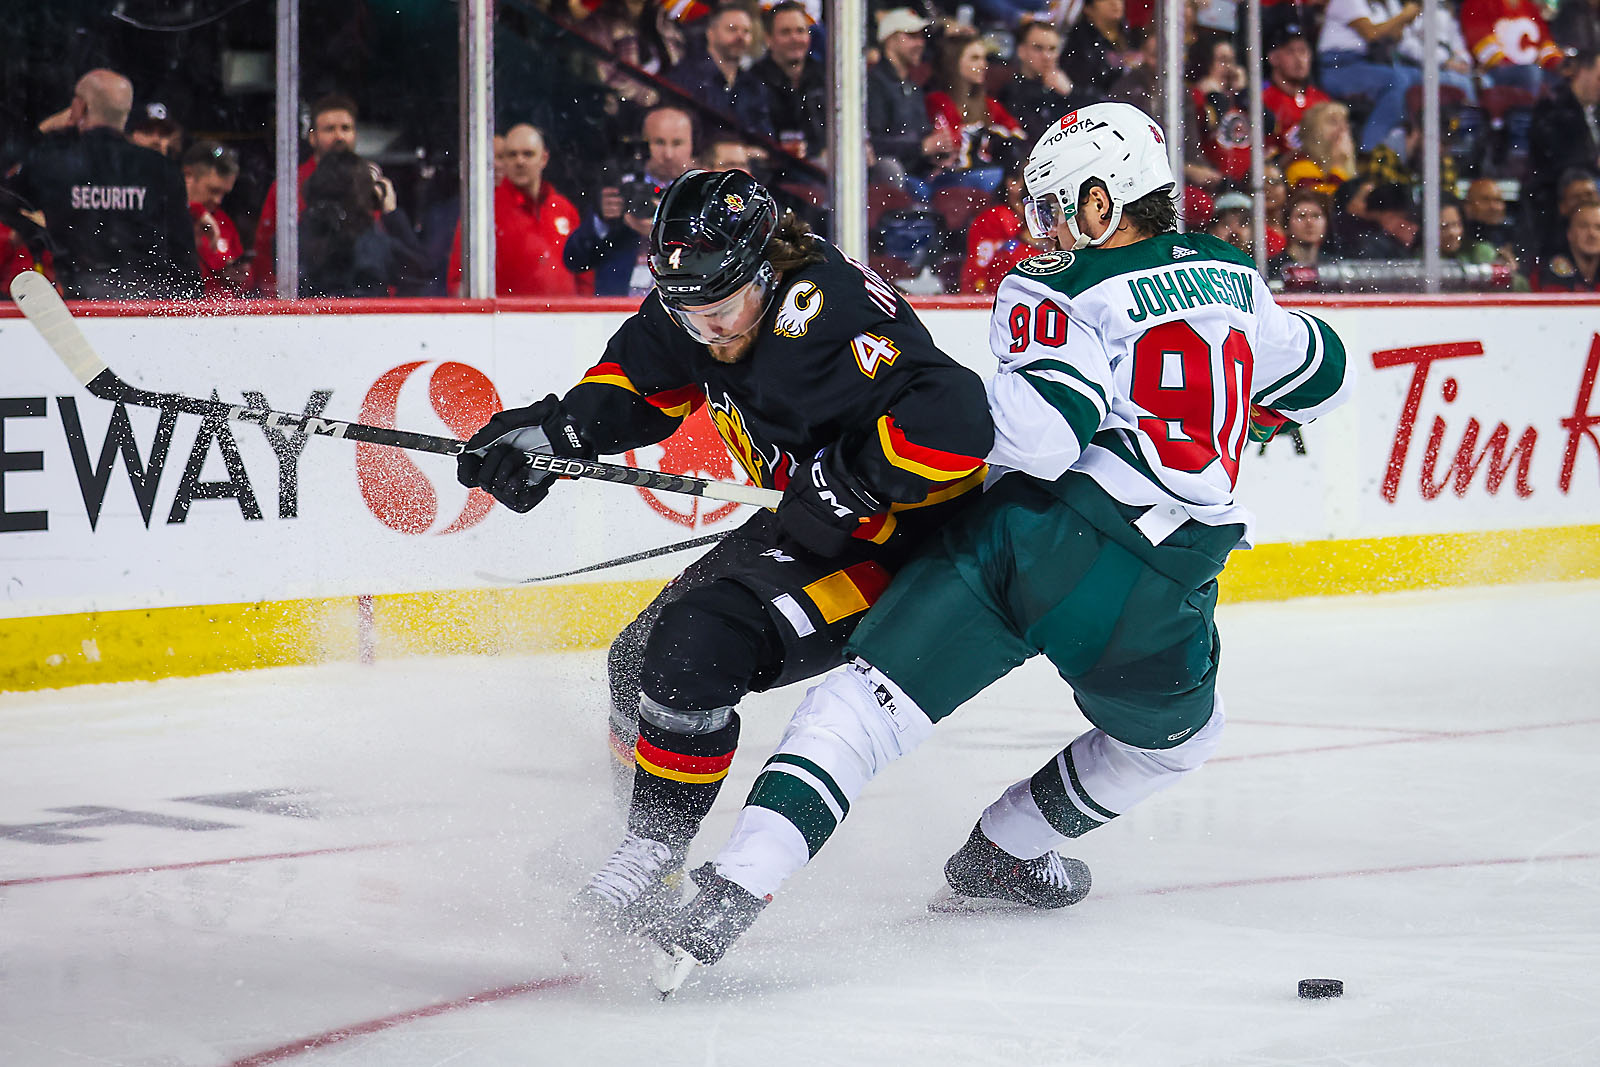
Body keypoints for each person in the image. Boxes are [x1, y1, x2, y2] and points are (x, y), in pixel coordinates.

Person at [650, 103, 1353, 980]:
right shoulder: (1237, 278)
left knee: (859, 708)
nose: (1044, 227)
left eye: (1055, 206)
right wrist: (1246, 398)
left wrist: (895, 456)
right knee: (1177, 740)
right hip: (1160, 583)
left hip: (1026, 539)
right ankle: (1006, 850)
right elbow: (1326, 372)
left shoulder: (1055, 282)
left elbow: (1046, 437)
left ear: (1101, 201)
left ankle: (728, 892)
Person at [454, 168, 993, 938]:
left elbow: (959, 418)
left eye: (723, 313)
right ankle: (644, 840)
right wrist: (556, 433)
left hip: (895, 547)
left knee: (692, 649)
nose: (710, 332)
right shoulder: (703, 291)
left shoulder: (825, 312)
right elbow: (640, 381)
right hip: (809, 528)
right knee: (637, 660)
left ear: (767, 271)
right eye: (690, 315)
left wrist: (854, 480)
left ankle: (654, 852)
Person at [2, 68, 200, 300]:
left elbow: (5, 196)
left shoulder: (53, 163)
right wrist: (190, 309)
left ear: (79, 107)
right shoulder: (161, 169)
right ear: (125, 113)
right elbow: (183, 254)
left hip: (79, 305)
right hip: (145, 305)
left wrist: (37, 234)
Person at [563, 105, 699, 296]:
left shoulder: (704, 194)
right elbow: (574, 260)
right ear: (643, 145)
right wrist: (603, 222)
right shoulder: (622, 189)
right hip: (619, 305)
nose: (668, 154)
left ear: (691, 145)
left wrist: (668, 232)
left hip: (683, 304)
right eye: (659, 143)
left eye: (677, 143)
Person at [447, 123, 582, 296]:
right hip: (505, 313)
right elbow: (459, 282)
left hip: (567, 312)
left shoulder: (564, 210)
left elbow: (584, 276)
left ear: (544, 158)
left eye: (528, 154)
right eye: (512, 155)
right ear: (503, 160)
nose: (520, 161)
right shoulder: (483, 212)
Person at [248, 93, 359, 296]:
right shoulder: (289, 185)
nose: (339, 136)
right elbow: (265, 249)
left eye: (346, 128)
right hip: (304, 298)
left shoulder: (367, 182)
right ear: (312, 137)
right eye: (329, 129)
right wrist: (278, 301)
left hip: (362, 299)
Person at [297, 149, 428, 298]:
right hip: (369, 311)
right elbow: (420, 272)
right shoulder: (373, 244)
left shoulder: (297, 241)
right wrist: (391, 212)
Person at [1316, 0, 1427, 153]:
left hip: (1365, 64)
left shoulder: (1376, 6)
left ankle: (1404, 145)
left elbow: (1395, 34)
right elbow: (1372, 34)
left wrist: (1403, 20)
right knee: (1396, 80)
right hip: (1338, 66)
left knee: (1419, 78)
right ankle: (1370, 151)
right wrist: (1404, 15)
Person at [924, 36, 1027, 192]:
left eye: (984, 59)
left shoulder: (988, 104)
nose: (983, 65)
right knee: (999, 178)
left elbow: (1017, 134)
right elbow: (952, 147)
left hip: (984, 173)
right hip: (950, 177)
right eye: (975, 58)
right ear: (953, 63)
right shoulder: (937, 101)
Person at [867, 9, 955, 188]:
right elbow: (873, 144)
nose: (920, 43)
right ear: (890, 40)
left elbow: (920, 136)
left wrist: (937, 154)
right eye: (912, 36)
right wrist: (922, 147)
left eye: (921, 37)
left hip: (921, 174)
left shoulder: (913, 87)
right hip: (895, 178)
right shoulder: (873, 84)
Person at [663, 2, 771, 136]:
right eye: (732, 29)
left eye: (746, 31)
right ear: (710, 33)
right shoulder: (684, 78)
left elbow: (765, 135)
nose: (740, 37)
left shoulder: (754, 86)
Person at [1528, 51, 1600, 244]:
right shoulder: (1552, 106)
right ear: (1581, 72)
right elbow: (1558, 159)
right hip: (1554, 197)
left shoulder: (1595, 111)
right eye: (1599, 78)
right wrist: (1594, 163)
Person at [998, 19, 1102, 144]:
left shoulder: (1070, 86)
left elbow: (1099, 113)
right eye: (1038, 48)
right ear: (1021, 51)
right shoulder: (1010, 92)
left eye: (1052, 49)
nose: (1047, 56)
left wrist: (1071, 93)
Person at [747, 2, 826, 160]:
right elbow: (758, 140)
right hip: (777, 167)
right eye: (786, 32)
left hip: (823, 165)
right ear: (768, 38)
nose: (794, 38)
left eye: (800, 31)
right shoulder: (752, 81)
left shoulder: (826, 76)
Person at [959, 160, 1040, 293]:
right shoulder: (994, 219)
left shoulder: (1047, 216)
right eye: (1031, 180)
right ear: (1012, 183)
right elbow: (980, 274)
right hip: (988, 299)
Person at [182, 141, 246, 297]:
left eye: (223, 193)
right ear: (188, 176)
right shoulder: (164, 216)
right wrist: (194, 211)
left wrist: (240, 276)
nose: (218, 200)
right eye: (213, 190)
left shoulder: (223, 221)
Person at [1461, 0, 1564, 93]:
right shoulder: (1478, 2)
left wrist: (1558, 64)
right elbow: (1480, 42)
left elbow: (1544, 41)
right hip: (1494, 71)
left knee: (1560, 79)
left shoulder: (1529, 6)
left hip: (1530, 69)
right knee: (1531, 73)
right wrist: (1513, 64)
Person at [1262, 21, 1331, 152]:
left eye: (1303, 51)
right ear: (1273, 58)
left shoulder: (1321, 99)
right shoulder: (1263, 99)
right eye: (1290, 52)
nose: (1299, 59)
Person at [1285, 100, 1358, 195]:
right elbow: (1322, 200)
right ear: (1313, 130)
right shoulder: (1299, 161)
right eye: (1333, 122)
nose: (1342, 129)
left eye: (1345, 123)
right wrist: (1338, 165)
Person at [1268, 188, 1333, 287]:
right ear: (1286, 225)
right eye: (1301, 216)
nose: (1309, 223)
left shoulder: (1332, 266)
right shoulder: (1273, 268)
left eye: (1316, 216)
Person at [1063, 0, 1131, 95]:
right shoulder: (1079, 42)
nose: (1115, 3)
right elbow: (1082, 89)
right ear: (1088, 8)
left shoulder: (1132, 35)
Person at [1533, 200, 1600, 289]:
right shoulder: (1545, 272)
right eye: (1583, 226)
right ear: (1569, 233)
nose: (1592, 234)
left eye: (1598, 227)